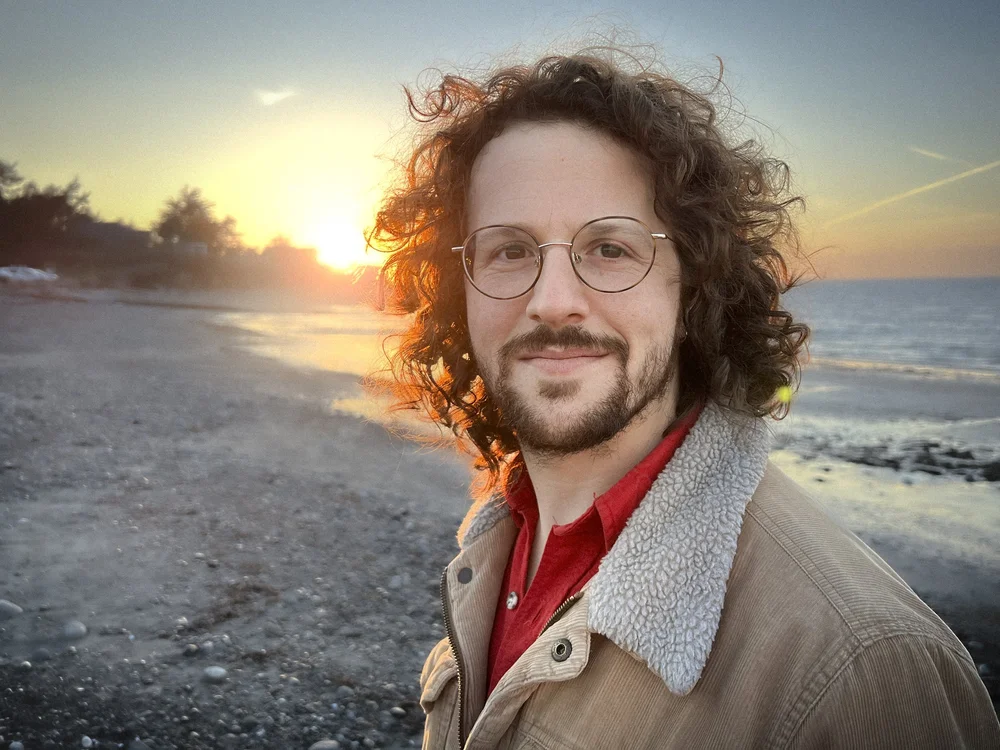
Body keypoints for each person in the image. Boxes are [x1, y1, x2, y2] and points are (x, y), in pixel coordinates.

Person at [370, 51, 1000, 749]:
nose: (552, 301)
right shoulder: (496, 543)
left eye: (610, 248)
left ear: (693, 286)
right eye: (510, 250)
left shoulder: (860, 670)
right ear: (459, 290)